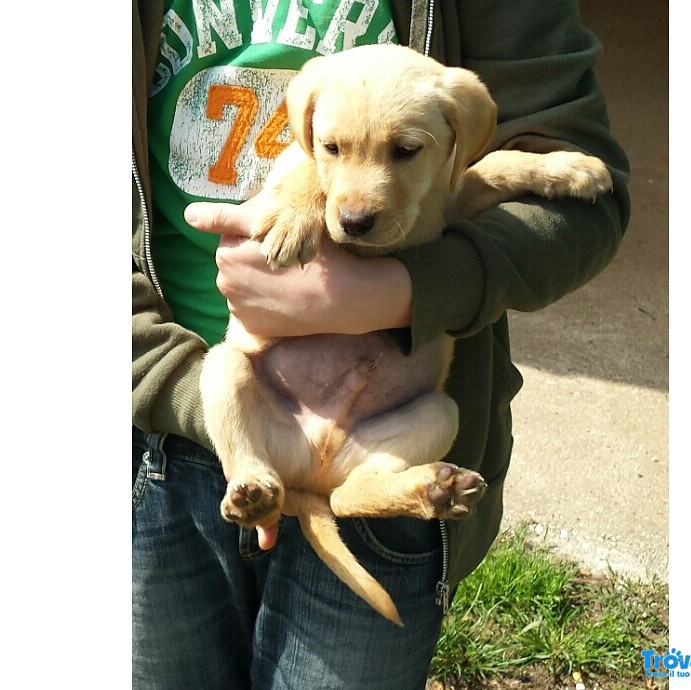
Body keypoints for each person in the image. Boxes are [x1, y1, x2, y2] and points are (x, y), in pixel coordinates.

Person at [132, 1, 631, 688]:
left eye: (403, 151)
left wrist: (401, 290)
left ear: (463, 132)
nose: (360, 199)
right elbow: (294, 187)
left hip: (382, 431)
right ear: (309, 131)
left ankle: (370, 492)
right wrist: (308, 200)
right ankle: (253, 475)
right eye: (334, 151)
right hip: (207, 420)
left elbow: (517, 201)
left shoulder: (450, 121)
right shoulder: (309, 156)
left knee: (442, 417)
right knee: (224, 370)